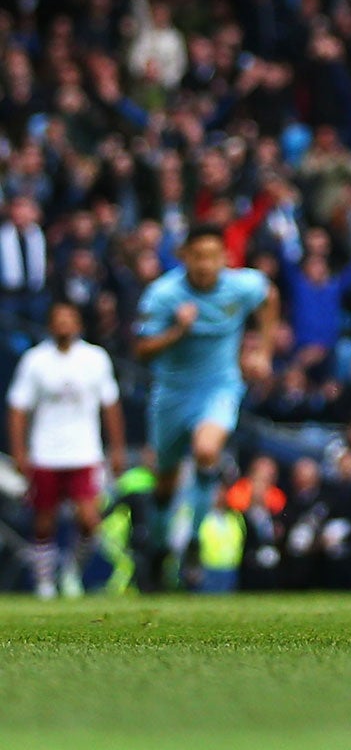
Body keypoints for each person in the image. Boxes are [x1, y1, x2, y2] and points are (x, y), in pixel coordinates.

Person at [132, 230, 277, 580]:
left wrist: (263, 351)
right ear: (185, 257)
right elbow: (141, 348)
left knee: (206, 450)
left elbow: (269, 297)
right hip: (172, 394)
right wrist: (177, 332)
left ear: (224, 257)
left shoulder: (241, 286)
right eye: (198, 256)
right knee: (164, 482)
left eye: (213, 256)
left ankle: (195, 541)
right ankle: (160, 548)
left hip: (219, 387)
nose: (205, 264)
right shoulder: (164, 295)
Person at [6, 301, 123, 597]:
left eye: (69, 319)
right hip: (46, 451)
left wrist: (117, 448)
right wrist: (19, 451)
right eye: (58, 320)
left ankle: (72, 570)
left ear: (79, 324)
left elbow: (110, 405)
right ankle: (45, 582)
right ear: (49, 325)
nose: (64, 325)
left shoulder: (95, 358)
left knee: (89, 520)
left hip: (84, 451)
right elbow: (18, 407)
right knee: (44, 521)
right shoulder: (35, 361)